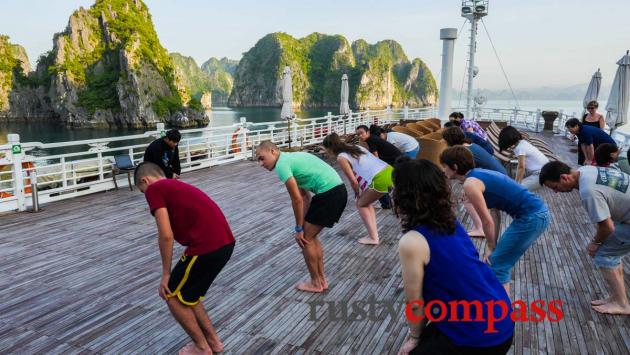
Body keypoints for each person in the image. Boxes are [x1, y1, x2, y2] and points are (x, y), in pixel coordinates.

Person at [394, 158, 514, 355]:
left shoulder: (412, 241)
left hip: (480, 337)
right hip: (501, 320)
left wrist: (414, 338)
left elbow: (415, 302)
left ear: (403, 195)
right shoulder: (451, 223)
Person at [134, 162, 235, 355]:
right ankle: (214, 343)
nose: (145, 195)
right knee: (189, 296)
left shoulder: (154, 189)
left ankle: (201, 347)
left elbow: (165, 234)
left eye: (142, 190)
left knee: (171, 293)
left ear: (145, 181)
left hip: (206, 245)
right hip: (224, 243)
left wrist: (166, 273)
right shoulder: (175, 185)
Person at [440, 146, 550, 293]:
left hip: (532, 217)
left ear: (454, 167)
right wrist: (493, 245)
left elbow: (487, 221)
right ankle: (501, 308)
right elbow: (494, 214)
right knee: (497, 262)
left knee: (497, 265)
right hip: (536, 214)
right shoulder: (479, 174)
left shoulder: (470, 184)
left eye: (444, 166)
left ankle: (502, 312)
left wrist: (491, 247)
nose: (443, 170)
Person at [539, 161, 630, 315]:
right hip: (625, 216)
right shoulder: (586, 170)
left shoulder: (588, 191)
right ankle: (617, 297)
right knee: (613, 254)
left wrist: (595, 243)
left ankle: (622, 304)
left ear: (564, 178)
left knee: (604, 255)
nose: (556, 192)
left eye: (555, 187)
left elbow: (607, 227)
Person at [255, 141, 347, 292]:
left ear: (273, 151)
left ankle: (316, 283)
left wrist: (299, 228)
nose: (261, 163)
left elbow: (296, 199)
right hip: (337, 191)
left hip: (329, 194)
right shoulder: (291, 158)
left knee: (304, 240)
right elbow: (304, 197)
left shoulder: (282, 166)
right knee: (310, 237)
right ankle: (322, 280)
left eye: (262, 158)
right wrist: (304, 224)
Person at [323, 133, 393, 245]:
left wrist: (357, 193)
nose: (326, 152)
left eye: (326, 149)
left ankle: (373, 238)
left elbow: (353, 181)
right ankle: (374, 235)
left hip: (380, 178)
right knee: (366, 203)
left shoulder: (342, 157)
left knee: (360, 203)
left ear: (331, 148)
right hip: (389, 170)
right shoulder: (356, 147)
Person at [442, 126, 507, 238]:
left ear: (450, 140)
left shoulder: (463, 152)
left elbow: (469, 170)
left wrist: (467, 190)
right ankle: (482, 227)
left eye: (445, 139)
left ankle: (480, 229)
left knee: (467, 200)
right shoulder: (469, 145)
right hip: (499, 175)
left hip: (497, 179)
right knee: (469, 196)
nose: (443, 142)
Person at [356, 125, 401, 209]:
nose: (360, 136)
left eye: (361, 133)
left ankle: (386, 203)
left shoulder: (371, 140)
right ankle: (388, 202)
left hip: (396, 161)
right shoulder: (372, 138)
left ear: (368, 132)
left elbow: (376, 159)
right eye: (358, 134)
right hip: (396, 160)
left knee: (378, 179)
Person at [498, 126, 549, 191]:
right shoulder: (523, 142)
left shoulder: (519, 148)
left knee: (517, 189)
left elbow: (521, 167)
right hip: (546, 171)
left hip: (541, 175)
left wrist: (516, 183)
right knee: (519, 188)